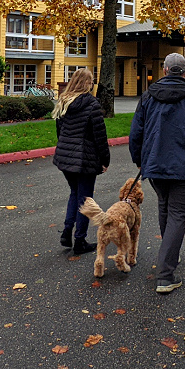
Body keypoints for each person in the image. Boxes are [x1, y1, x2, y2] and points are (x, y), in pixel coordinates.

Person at [129, 52, 185, 293]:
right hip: (183, 164)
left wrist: (139, 159)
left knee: (165, 207)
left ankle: (170, 256)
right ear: (184, 71)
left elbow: (136, 131)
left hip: (155, 163)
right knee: (177, 212)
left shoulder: (148, 96)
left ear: (165, 70)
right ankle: (166, 274)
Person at [52, 68, 110, 256]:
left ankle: (67, 231)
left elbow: (59, 132)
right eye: (91, 81)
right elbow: (99, 137)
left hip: (65, 156)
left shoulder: (64, 102)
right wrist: (105, 159)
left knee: (74, 193)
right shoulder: (92, 105)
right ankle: (80, 240)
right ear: (88, 83)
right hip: (85, 159)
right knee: (85, 200)